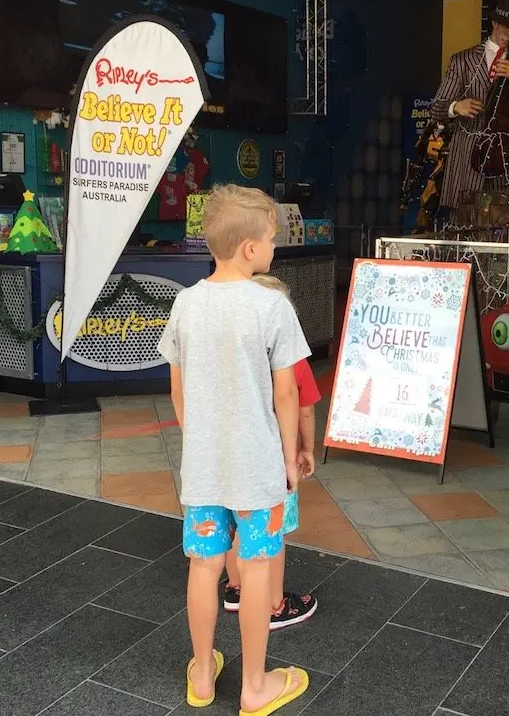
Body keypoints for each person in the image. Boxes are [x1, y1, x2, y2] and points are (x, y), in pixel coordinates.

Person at [158, 184, 310, 715]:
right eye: (271, 239)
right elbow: (286, 392)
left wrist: (197, 434)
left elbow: (177, 390)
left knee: (204, 565)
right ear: (250, 248)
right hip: (258, 466)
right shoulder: (271, 307)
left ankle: (202, 674)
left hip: (202, 463)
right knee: (258, 567)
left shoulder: (183, 303)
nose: (273, 248)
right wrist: (289, 459)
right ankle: (254, 687)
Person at [222, 274, 320, 631]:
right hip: (274, 459)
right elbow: (304, 408)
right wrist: (305, 449)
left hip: (233, 453)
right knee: (271, 533)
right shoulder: (292, 358)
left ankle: (236, 588)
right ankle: (275, 604)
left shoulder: (236, 357)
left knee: (236, 523)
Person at [430, 3, 509, 221]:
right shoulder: (463, 60)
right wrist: (456, 107)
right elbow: (436, 108)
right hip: (466, 157)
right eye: (506, 27)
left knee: (508, 221)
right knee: (463, 225)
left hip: (507, 154)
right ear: (495, 22)